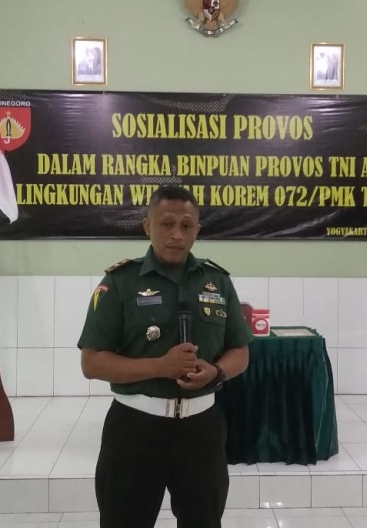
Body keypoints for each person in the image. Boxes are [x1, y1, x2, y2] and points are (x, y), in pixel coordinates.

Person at [77, 185, 252, 528]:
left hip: (202, 430)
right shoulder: (120, 282)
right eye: (167, 224)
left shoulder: (217, 281)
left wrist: (216, 372)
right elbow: (92, 362)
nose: (177, 234)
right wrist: (160, 367)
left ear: (197, 230)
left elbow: (240, 351)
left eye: (186, 226)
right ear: (148, 226)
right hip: (136, 429)